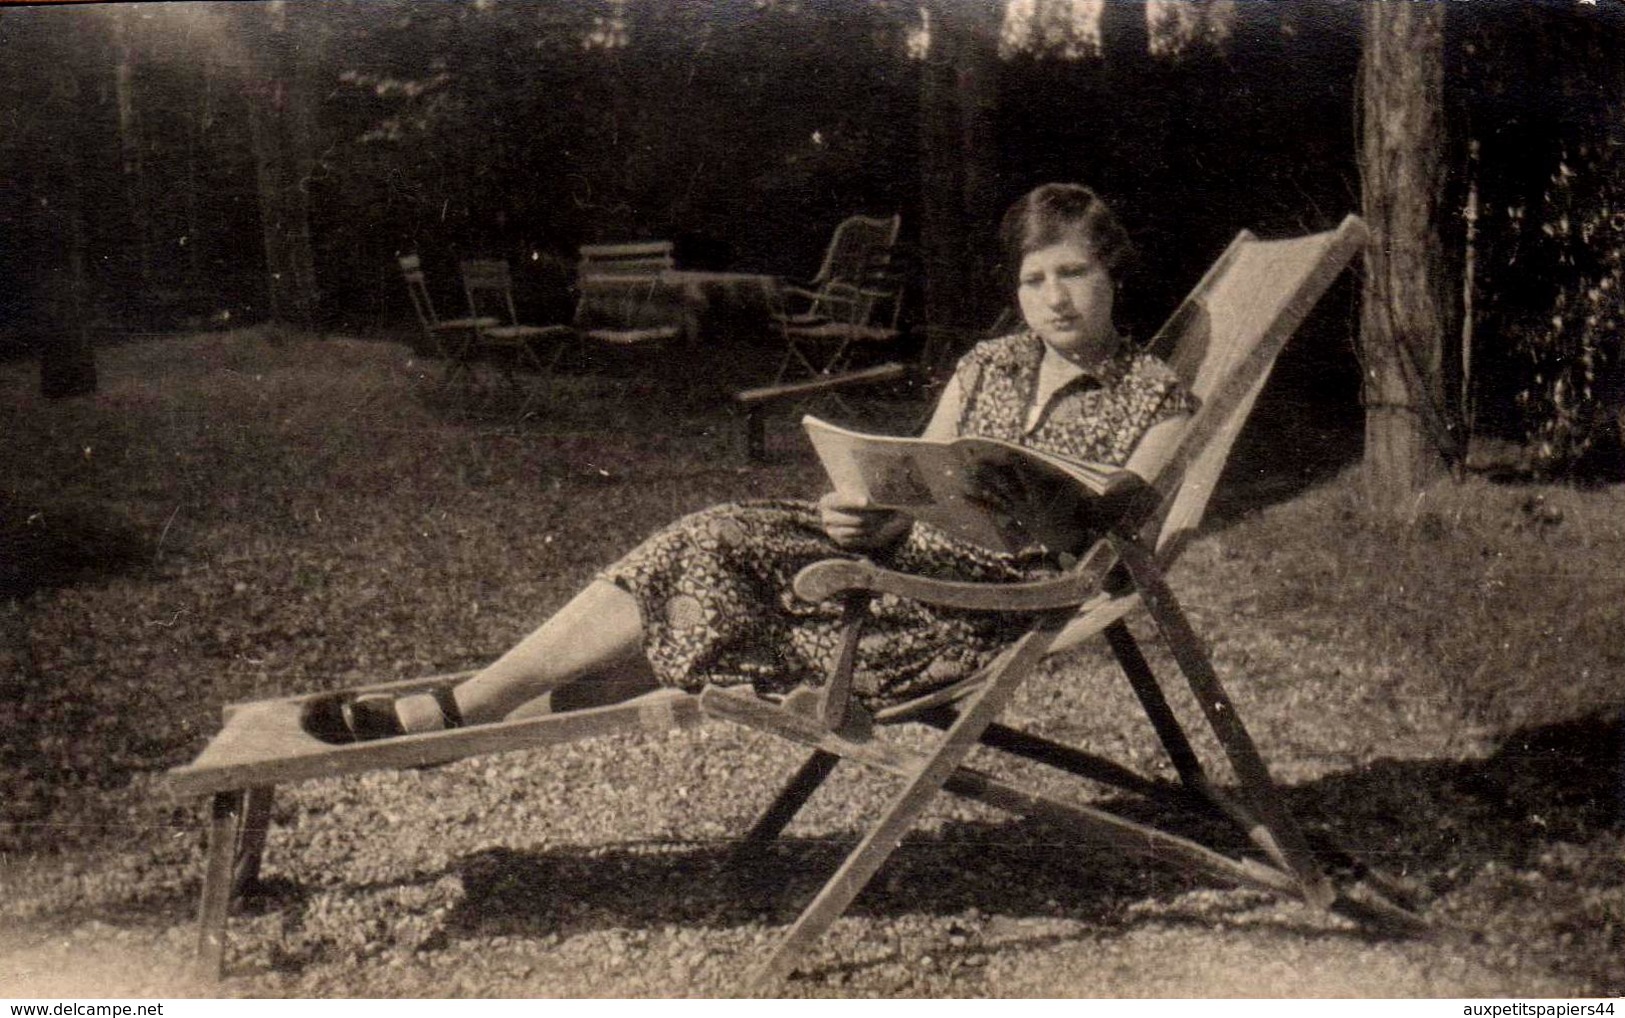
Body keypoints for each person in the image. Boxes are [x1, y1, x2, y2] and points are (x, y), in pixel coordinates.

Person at [305, 182, 1197, 742]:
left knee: (718, 557)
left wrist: (1044, 513)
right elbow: (918, 477)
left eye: (1072, 273)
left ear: (1113, 275)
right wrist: (865, 510)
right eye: (1034, 280)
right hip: (896, 559)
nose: (1053, 298)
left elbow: (1113, 535)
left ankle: (461, 710)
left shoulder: (1157, 397)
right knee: (713, 529)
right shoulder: (986, 364)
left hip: (972, 609)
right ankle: (476, 703)